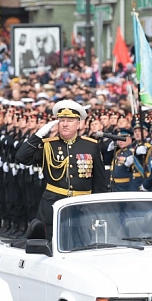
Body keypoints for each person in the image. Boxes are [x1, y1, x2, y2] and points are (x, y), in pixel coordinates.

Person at [16, 99, 109, 239]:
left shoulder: (91, 146)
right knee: (53, 246)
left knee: (80, 245)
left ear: (79, 124)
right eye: (62, 120)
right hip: (54, 205)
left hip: (81, 206)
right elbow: (21, 157)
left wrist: (98, 210)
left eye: (70, 120)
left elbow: (100, 181)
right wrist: (38, 135)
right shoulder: (48, 145)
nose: (65, 124)